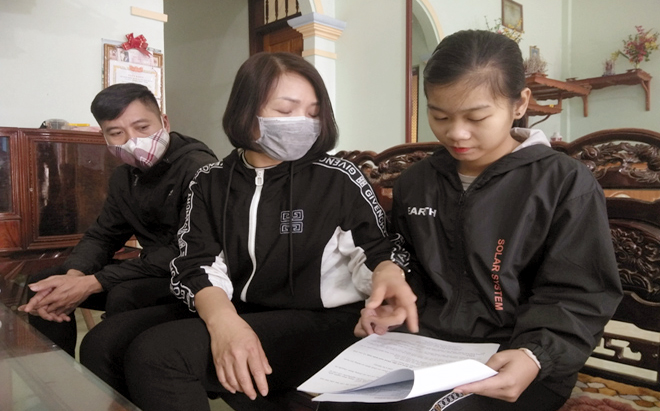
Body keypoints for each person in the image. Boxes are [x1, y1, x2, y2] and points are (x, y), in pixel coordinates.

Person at [78, 52, 418, 411]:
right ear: (246, 111)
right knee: (102, 343)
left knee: (160, 355)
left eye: (314, 112)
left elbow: (378, 250)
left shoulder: (338, 178)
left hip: (326, 321)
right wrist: (224, 321)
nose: (302, 122)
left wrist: (387, 274)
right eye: (286, 111)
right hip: (241, 308)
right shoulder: (211, 181)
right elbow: (195, 263)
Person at [325, 30, 623, 411]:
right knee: (339, 403)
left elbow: (579, 293)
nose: (456, 133)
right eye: (440, 115)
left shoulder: (562, 182)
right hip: (424, 345)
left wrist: (534, 356)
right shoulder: (418, 181)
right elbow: (410, 264)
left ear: (520, 104)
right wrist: (397, 304)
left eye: (476, 116)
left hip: (517, 357)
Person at [18, 83, 218, 357]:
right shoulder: (124, 177)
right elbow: (103, 235)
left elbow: (183, 252)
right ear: (105, 137)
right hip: (151, 269)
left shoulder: (199, 168)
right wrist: (74, 276)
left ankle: (117, 380)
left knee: (124, 294)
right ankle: (57, 381)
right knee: (47, 282)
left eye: (142, 128)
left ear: (165, 122)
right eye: (116, 133)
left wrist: (93, 282)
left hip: (192, 272)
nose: (132, 140)